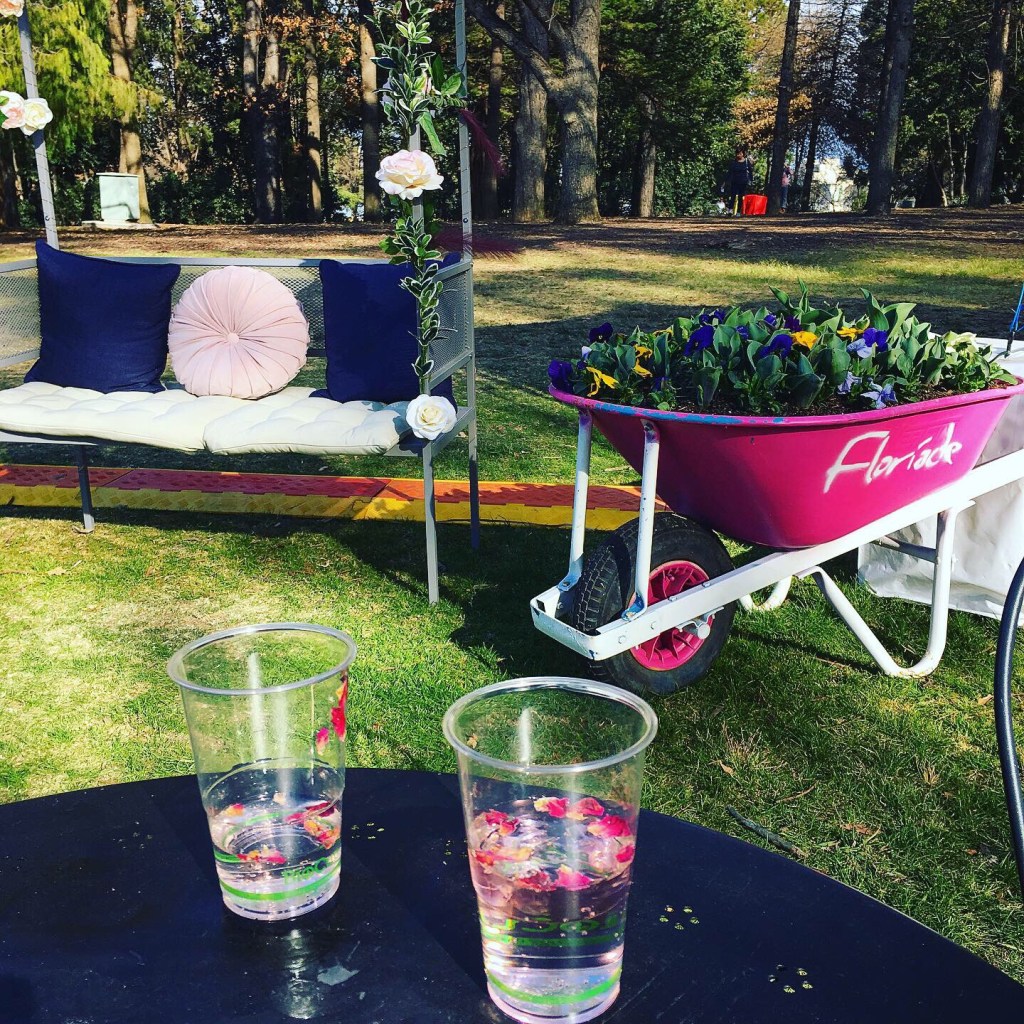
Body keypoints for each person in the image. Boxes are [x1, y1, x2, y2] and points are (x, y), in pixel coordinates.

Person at [722, 148, 753, 215]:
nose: (739, 155)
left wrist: (751, 180)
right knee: (732, 195)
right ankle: (730, 210)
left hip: (743, 182)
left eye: (740, 153)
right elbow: (729, 172)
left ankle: (738, 211)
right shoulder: (733, 162)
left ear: (743, 154)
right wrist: (725, 181)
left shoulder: (746, 162)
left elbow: (750, 171)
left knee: (741, 196)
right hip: (734, 181)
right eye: (737, 154)